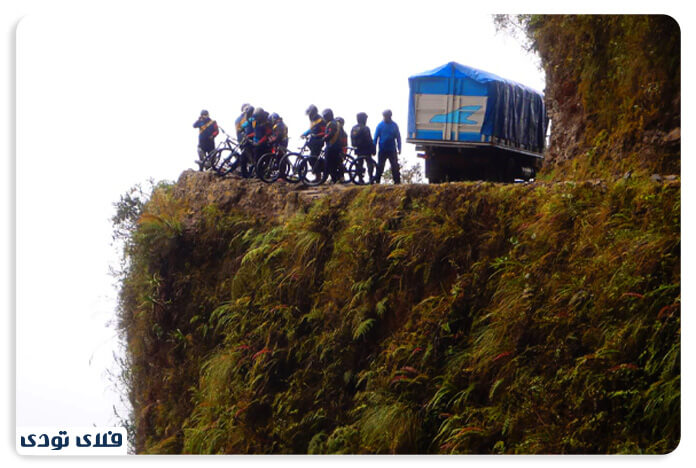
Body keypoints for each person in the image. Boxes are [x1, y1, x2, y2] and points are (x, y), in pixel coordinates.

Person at [373, 109, 402, 184]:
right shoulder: (380, 125)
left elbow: (398, 137)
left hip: (392, 149)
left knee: (395, 166)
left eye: (387, 116)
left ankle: (397, 182)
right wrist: (374, 149)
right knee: (380, 166)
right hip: (382, 149)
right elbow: (375, 137)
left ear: (390, 116)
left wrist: (399, 148)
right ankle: (377, 181)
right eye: (384, 116)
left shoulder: (394, 125)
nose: (385, 118)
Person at [322, 108, 343, 183]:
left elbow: (330, 134)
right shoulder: (336, 123)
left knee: (329, 163)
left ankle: (331, 178)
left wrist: (324, 138)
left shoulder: (331, 124)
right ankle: (335, 178)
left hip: (332, 146)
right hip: (336, 146)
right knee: (334, 163)